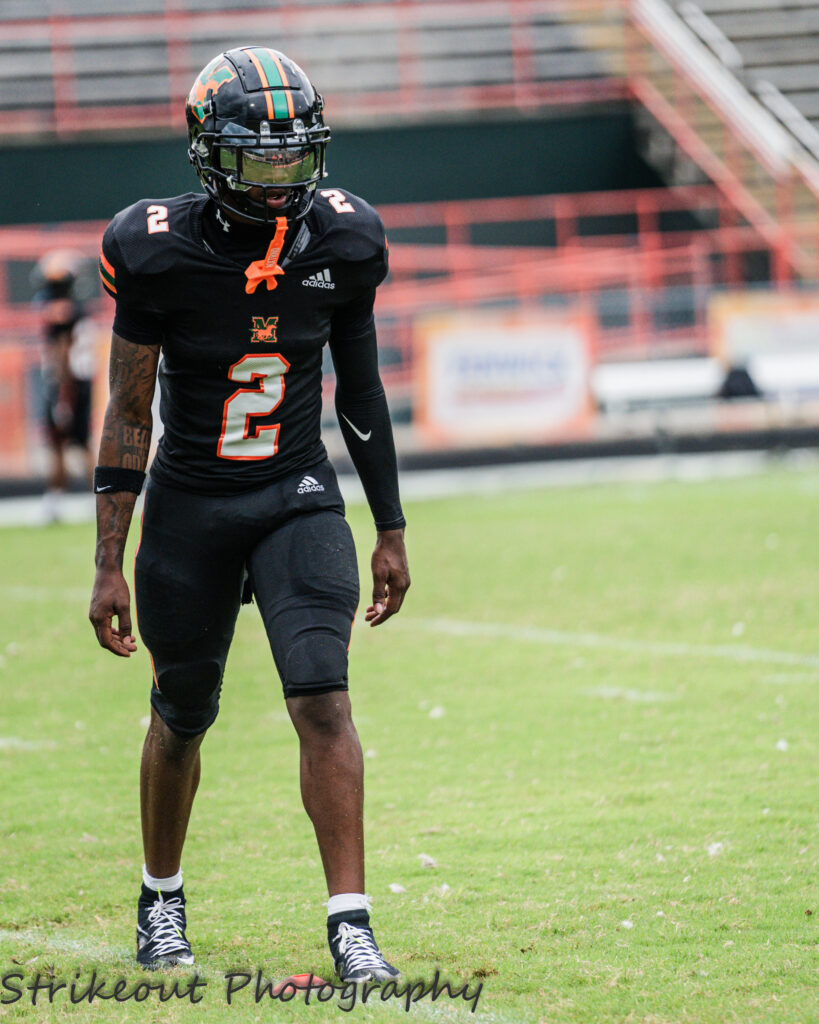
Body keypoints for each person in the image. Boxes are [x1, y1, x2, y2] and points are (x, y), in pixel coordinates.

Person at [88, 46, 410, 981]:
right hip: (191, 503)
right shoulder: (153, 249)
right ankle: (160, 900)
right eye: (258, 161)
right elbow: (128, 411)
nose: (281, 180)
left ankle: (351, 925)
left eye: (294, 157)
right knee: (183, 710)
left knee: (322, 696)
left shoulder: (345, 239)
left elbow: (362, 392)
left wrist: (389, 528)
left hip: (294, 492)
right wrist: (108, 562)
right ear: (207, 154)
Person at [32, 250, 95, 521]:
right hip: (75, 381)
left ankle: (60, 499)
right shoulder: (76, 309)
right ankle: (65, 498)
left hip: (69, 383)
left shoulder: (63, 313)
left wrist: (62, 393)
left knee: (68, 442)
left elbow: (62, 353)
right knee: (70, 442)